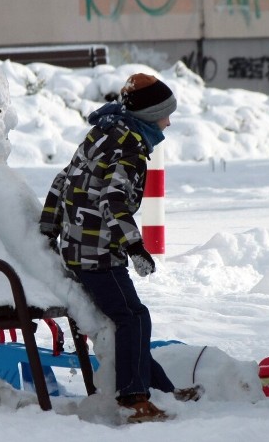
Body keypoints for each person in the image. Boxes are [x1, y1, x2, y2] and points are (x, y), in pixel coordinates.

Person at [39, 73, 200, 424]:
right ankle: (134, 400)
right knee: (133, 319)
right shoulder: (130, 146)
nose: (169, 122)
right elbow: (113, 199)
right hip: (97, 254)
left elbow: (61, 180)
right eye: (164, 114)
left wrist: (47, 232)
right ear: (147, 115)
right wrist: (136, 247)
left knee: (130, 319)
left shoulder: (103, 133)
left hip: (79, 247)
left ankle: (162, 391)